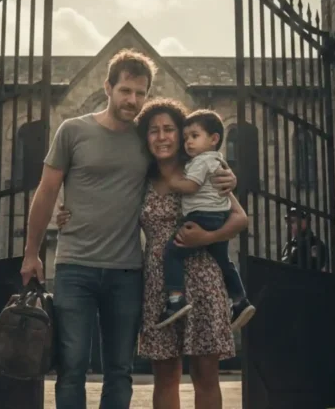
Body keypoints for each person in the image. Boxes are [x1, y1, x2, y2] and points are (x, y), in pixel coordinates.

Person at [20, 50, 237, 409]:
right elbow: (46, 192)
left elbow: (189, 164)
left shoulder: (147, 141)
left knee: (119, 370)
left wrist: (226, 175)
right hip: (75, 266)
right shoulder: (73, 130)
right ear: (108, 87)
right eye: (125, 90)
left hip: (127, 271)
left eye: (140, 92)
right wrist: (32, 252)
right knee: (71, 367)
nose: (132, 99)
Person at [57, 98, 247, 409]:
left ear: (182, 134)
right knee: (166, 375)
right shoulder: (140, 176)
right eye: (154, 130)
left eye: (170, 129)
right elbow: (103, 198)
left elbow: (240, 218)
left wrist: (207, 236)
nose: (162, 137)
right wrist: (67, 213)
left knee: (205, 375)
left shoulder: (200, 170)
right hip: (159, 285)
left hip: (203, 280)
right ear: (145, 137)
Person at [158, 109, 255, 330]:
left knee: (173, 251)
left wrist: (172, 183)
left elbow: (191, 186)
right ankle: (240, 300)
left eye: (194, 136)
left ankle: (175, 299)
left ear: (214, 139)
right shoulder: (214, 161)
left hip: (201, 217)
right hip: (217, 216)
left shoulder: (201, 162)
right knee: (225, 262)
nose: (188, 143)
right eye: (186, 138)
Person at [279, 207, 328, 271]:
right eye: (287, 222)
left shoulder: (315, 243)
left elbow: (316, 265)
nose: (288, 225)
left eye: (292, 221)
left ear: (305, 222)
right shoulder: (289, 244)